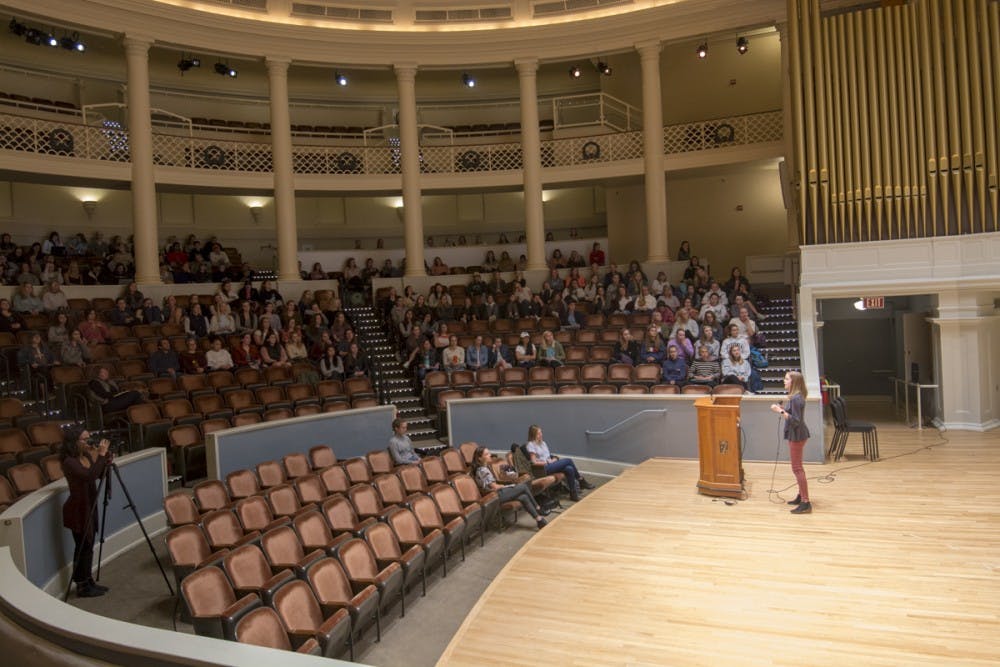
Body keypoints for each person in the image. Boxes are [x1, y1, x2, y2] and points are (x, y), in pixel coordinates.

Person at [60, 428, 112, 598]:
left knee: (88, 545)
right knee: (82, 546)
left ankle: (88, 580)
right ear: (74, 442)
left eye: (89, 438)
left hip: (90, 504)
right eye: (85, 439)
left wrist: (105, 460)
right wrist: (102, 456)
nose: (89, 441)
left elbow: (98, 474)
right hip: (78, 508)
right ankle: (81, 584)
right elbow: (89, 476)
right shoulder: (69, 461)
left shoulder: (87, 457)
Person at [471, 446, 547, 529]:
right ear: (479, 458)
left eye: (489, 453)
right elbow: (494, 487)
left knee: (523, 497)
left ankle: (539, 520)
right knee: (523, 487)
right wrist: (505, 486)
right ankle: (538, 507)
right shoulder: (483, 470)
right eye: (486, 454)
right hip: (494, 496)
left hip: (496, 494)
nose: (490, 455)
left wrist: (506, 485)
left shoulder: (484, 468)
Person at [770, 371, 812, 514]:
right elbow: (794, 415)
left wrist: (779, 412)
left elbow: (795, 421)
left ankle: (806, 502)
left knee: (797, 469)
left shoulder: (796, 399)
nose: (784, 381)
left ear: (793, 382)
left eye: (787, 379)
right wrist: (783, 409)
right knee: (798, 468)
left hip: (797, 435)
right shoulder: (795, 397)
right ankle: (801, 496)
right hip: (797, 435)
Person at [526, 425, 593, 502]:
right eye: (538, 433)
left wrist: (554, 459)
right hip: (544, 468)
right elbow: (533, 462)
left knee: (569, 469)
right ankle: (580, 479)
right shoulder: (531, 444)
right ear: (533, 434)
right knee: (569, 461)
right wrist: (545, 462)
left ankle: (573, 494)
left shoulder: (543, 443)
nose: (541, 434)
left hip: (551, 464)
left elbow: (548, 456)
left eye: (541, 432)